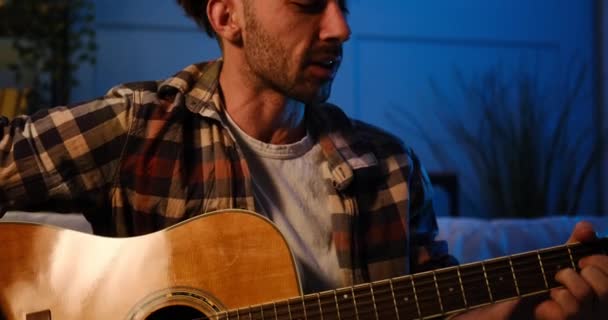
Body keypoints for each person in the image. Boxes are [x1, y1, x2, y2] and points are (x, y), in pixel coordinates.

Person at [0, 0, 606, 318]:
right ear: (226, 15)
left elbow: (437, 309)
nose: (341, 27)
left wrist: (541, 311)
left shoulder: (388, 169)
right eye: (308, 2)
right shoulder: (142, 128)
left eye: (343, 2)